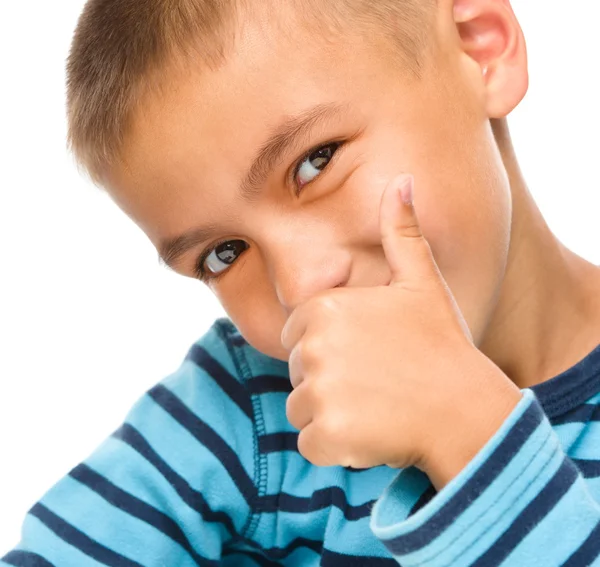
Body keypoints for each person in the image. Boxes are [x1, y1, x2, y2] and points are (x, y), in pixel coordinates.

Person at [3, 0, 600, 565]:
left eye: (315, 162)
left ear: (481, 48)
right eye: (224, 253)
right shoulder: (248, 407)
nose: (301, 285)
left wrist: (468, 434)